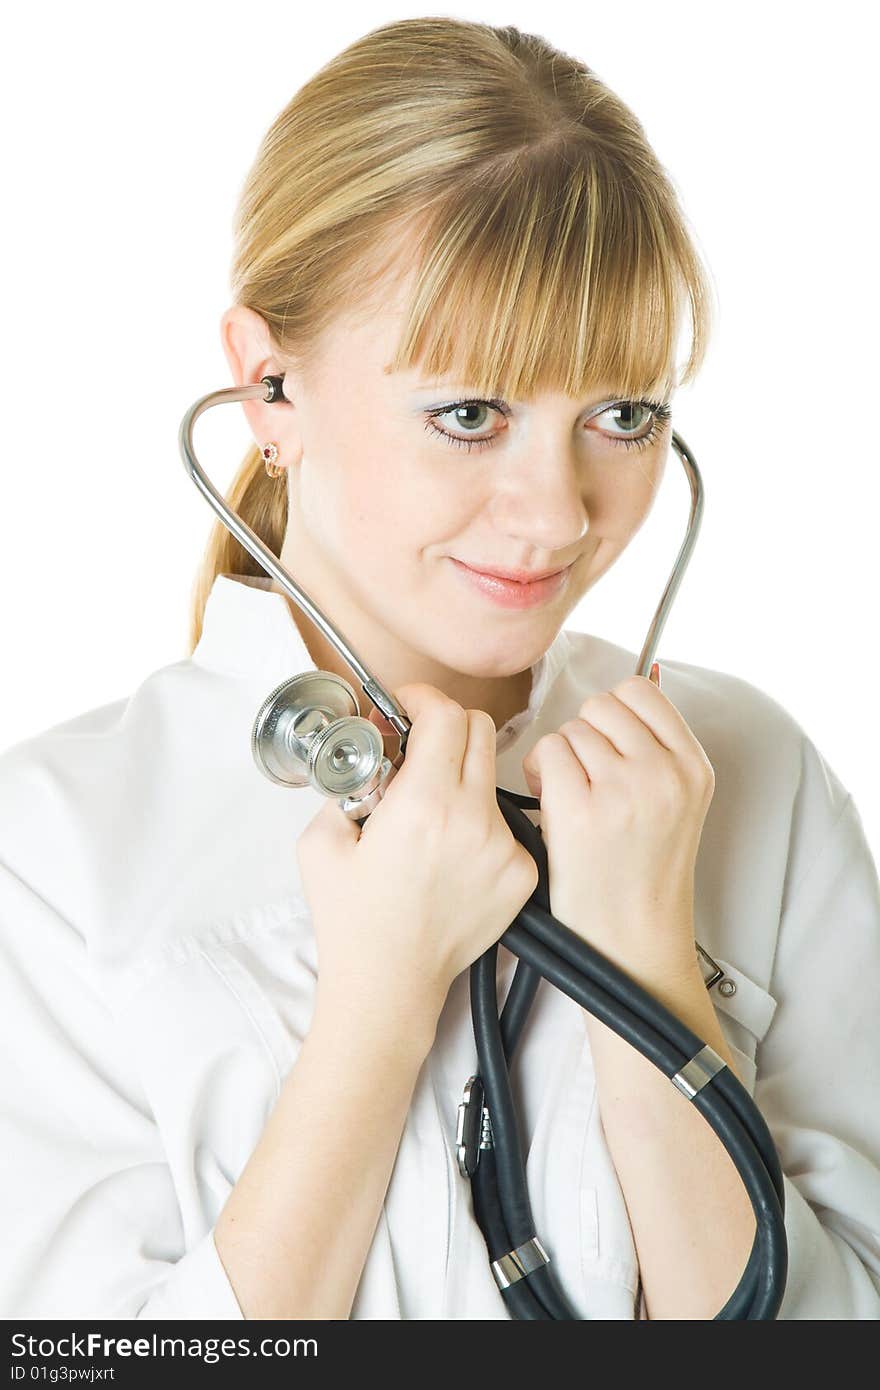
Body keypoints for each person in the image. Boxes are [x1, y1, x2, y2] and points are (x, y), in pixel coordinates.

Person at [1, 15, 878, 1322]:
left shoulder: (746, 773)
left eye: (620, 415)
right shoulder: (57, 849)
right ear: (269, 389)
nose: (559, 513)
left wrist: (645, 953)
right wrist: (379, 1000)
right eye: (471, 414)